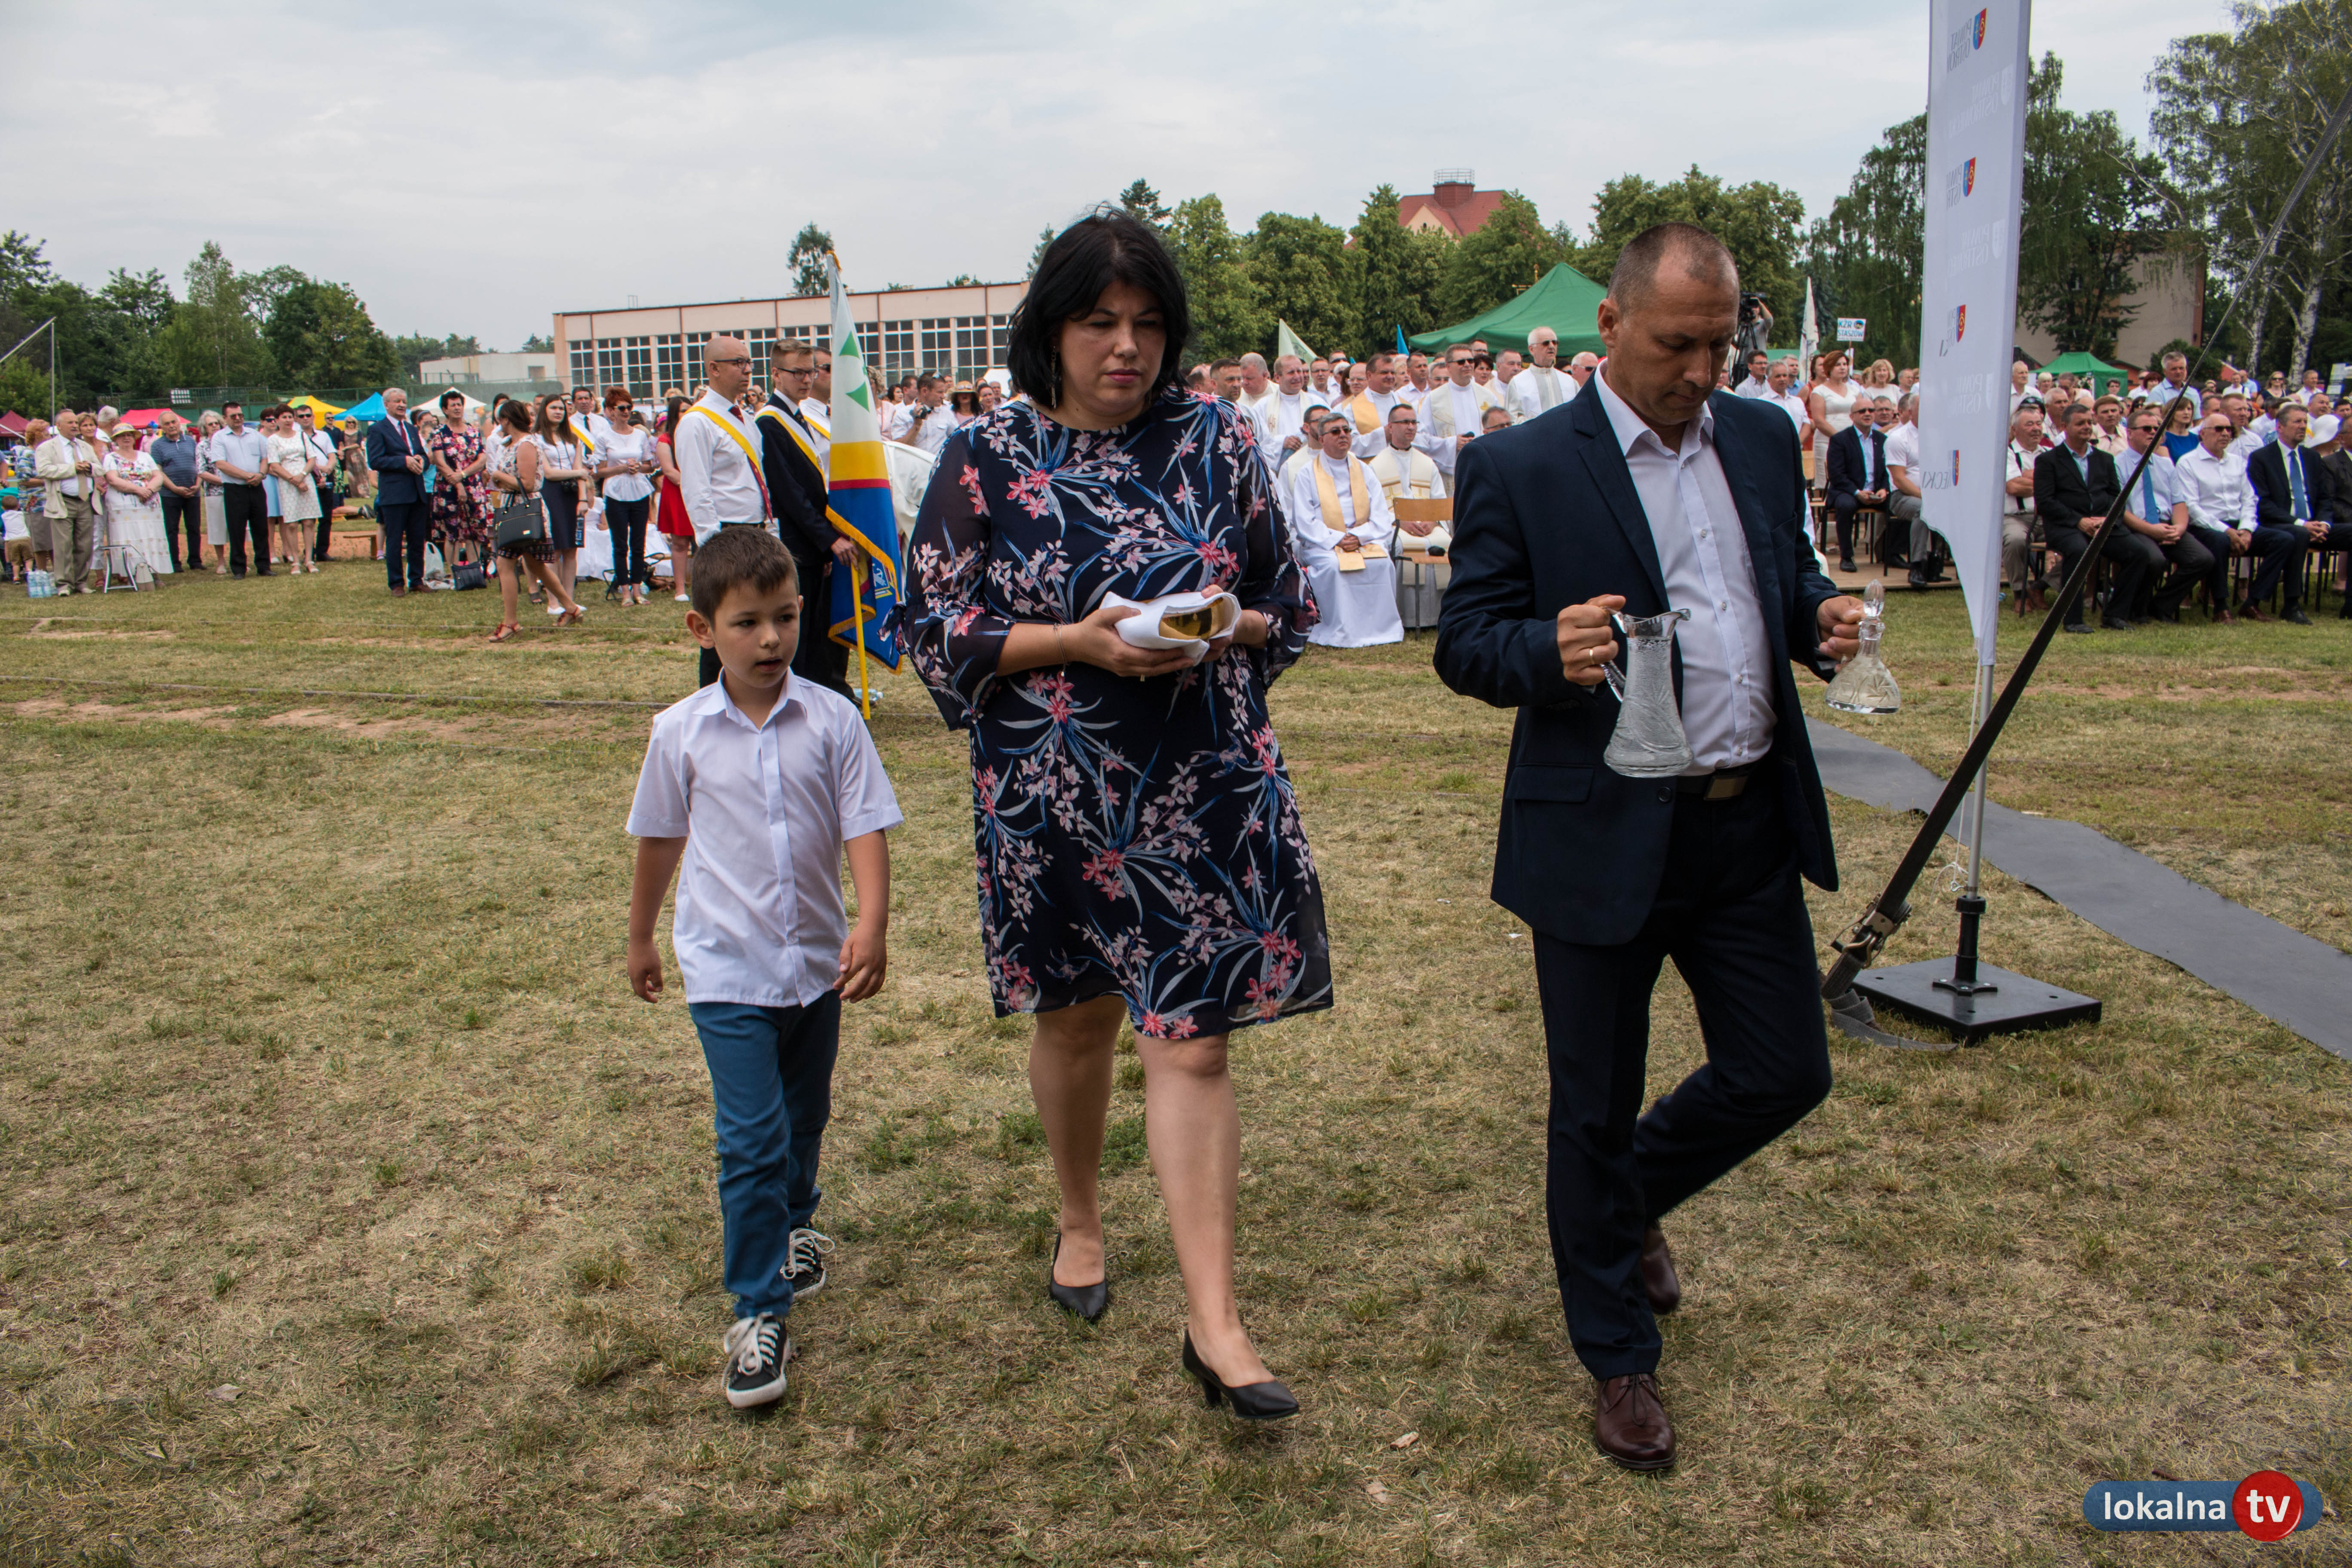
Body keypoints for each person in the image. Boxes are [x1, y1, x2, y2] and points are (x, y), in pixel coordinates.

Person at [1432, 221, 1863, 1474]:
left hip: (1744, 821)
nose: (1702, 370)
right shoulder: (1519, 464)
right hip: (1600, 832)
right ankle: (1617, 1354)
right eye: (1679, 343)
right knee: (1593, 1103)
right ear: (1612, 325)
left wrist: (1819, 617)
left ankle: (1623, 1207)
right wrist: (1544, 650)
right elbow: (1465, 640)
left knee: (1784, 1070)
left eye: (1722, 344)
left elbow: (1776, 578)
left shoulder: (1762, 437)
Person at [904, 207, 1323, 1423]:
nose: (1126, 346)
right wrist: (1074, 643)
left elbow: (1286, 602)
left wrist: (1228, 627)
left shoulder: (1217, 438)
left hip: (1201, 788)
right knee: (1079, 1021)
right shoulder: (983, 454)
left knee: (1193, 1042)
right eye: (1099, 322)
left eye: (1146, 324)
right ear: (1052, 329)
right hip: (1051, 796)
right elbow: (932, 628)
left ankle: (1216, 1325)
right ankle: (1080, 1217)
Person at [625, 524, 901, 1411]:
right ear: (702, 630)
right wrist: (640, 936)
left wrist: (872, 923)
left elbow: (865, 824)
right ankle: (755, 1310)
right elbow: (660, 837)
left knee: (804, 1114)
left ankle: (797, 1220)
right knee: (750, 1138)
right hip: (725, 972)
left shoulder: (834, 719)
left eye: (784, 617)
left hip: (817, 966)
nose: (771, 639)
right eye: (746, 623)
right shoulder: (680, 733)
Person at [757, 340, 852, 697]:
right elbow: (789, 492)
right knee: (800, 631)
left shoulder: (797, 415)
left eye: (811, 372)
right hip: (795, 541)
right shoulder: (770, 422)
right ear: (776, 374)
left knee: (815, 632)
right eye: (797, 373)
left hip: (812, 542)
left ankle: (816, 695)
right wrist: (828, 539)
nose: (807, 380)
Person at [676, 335, 773, 686]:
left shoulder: (745, 417)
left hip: (755, 530)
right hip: (725, 533)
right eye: (738, 363)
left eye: (749, 363)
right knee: (723, 624)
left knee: (753, 620)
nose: (747, 371)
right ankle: (713, 696)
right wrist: (712, 544)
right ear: (714, 368)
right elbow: (697, 489)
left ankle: (749, 691)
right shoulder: (697, 421)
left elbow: (757, 477)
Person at [1286, 410, 1403, 647]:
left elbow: (1381, 514)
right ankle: (1341, 629)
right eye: (1336, 432)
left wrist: (1358, 537)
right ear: (1322, 439)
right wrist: (1338, 539)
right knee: (1333, 566)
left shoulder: (1365, 470)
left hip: (1362, 539)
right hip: (1324, 542)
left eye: (1347, 430)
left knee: (1382, 563)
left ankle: (1380, 629)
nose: (1343, 435)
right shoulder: (1307, 474)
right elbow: (1304, 521)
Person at [2035, 400, 2153, 633]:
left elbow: (2116, 497)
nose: (2087, 427)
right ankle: (2073, 619)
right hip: (2066, 526)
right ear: (2065, 427)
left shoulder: (2104, 459)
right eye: (2080, 424)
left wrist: (2106, 520)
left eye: (2089, 423)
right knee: (2079, 550)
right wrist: (2079, 521)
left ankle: (2115, 615)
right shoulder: (2049, 461)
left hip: (2102, 525)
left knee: (2138, 553)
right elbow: (2046, 501)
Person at [484, 399, 585, 641]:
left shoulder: (527, 445)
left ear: (507, 420)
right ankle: (571, 608)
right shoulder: (510, 444)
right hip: (513, 508)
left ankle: (511, 622)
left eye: (501, 419)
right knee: (536, 564)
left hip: (524, 511)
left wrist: (498, 476)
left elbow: (528, 484)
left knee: (505, 564)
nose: (499, 424)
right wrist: (499, 478)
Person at [2244, 403, 2344, 624]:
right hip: (2279, 523)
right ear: (2280, 427)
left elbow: (2325, 498)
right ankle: (2291, 605)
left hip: (2315, 525)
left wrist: (2324, 524)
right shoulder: (2261, 458)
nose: (2303, 426)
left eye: (2305, 422)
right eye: (2297, 422)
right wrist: (2301, 523)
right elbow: (2262, 503)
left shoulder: (2312, 458)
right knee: (2298, 535)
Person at [2113, 404, 2211, 623]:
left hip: (2167, 525)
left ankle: (2161, 606)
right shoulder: (2117, 464)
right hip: (2136, 527)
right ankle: (2137, 609)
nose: (2153, 433)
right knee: (2154, 559)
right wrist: (2151, 530)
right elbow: (2120, 510)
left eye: (2157, 429)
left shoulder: (2166, 464)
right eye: (2146, 429)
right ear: (2130, 433)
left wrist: (2179, 529)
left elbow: (2179, 502)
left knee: (2202, 559)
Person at [2177, 409, 2254, 624]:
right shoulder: (2188, 462)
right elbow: (2192, 507)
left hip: (2238, 524)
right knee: (2220, 542)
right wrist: (2226, 530)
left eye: (2229, 429)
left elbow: (2250, 499)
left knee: (2283, 540)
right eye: (2219, 429)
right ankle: (2221, 606)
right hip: (2205, 526)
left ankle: (2254, 603)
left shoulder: (2238, 462)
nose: (2226, 434)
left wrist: (2247, 529)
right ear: (2202, 433)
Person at [366, 389, 431, 594]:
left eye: (404, 401)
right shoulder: (377, 430)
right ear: (386, 405)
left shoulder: (411, 429)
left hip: (417, 491)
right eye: (397, 401)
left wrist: (422, 461)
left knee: (417, 539)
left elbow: (422, 454)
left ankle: (416, 580)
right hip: (394, 494)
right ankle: (396, 583)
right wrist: (403, 462)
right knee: (394, 540)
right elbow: (376, 460)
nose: (402, 405)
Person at [597, 390, 657, 607]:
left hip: (639, 491)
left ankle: (637, 590)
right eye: (621, 408)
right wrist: (622, 468)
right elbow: (599, 471)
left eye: (629, 407)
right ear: (611, 411)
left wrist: (638, 467)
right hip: (615, 493)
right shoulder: (604, 437)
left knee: (639, 543)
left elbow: (650, 465)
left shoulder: (640, 435)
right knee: (620, 545)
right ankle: (624, 592)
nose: (626, 412)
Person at [534, 396, 593, 612]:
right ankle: (553, 602)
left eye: (561, 408)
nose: (559, 412)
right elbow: (548, 473)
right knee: (554, 549)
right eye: (554, 408)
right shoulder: (536, 439)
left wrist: (583, 498)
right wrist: (579, 473)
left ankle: (570, 600)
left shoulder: (573, 438)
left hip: (572, 494)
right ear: (544, 410)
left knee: (571, 549)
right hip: (550, 493)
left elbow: (579, 470)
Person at [426, 389, 493, 568]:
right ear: (445, 410)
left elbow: (482, 459)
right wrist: (457, 483)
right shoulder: (439, 433)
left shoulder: (473, 431)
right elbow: (440, 462)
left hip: (473, 486)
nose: (457, 408)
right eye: (453, 405)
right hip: (448, 488)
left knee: (475, 532)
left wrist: (463, 475)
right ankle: (455, 572)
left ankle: (474, 572)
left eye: (459, 405)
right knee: (452, 533)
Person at [36, 412, 101, 592]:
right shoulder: (47, 448)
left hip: (86, 501)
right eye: (70, 422)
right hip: (63, 501)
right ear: (58, 426)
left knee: (85, 545)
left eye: (76, 422)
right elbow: (43, 470)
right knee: (63, 546)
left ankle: (81, 582)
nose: (75, 426)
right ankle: (64, 584)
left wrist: (89, 467)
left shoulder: (84, 446)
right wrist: (72, 469)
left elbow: (99, 468)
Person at [1824, 393, 1890, 573]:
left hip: (1876, 491)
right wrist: (1857, 492)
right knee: (1845, 506)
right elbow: (1836, 475)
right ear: (1852, 416)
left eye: (1871, 410)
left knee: (1898, 504)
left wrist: (1885, 489)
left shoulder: (1882, 440)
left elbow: (1888, 471)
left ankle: (1890, 554)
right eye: (1862, 411)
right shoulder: (1840, 440)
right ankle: (1846, 557)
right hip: (1848, 491)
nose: (1867, 414)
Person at [1882, 393, 1941, 586]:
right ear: (1911, 412)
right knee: (1924, 510)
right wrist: (1926, 496)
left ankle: (1938, 564)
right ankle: (1917, 566)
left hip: (1936, 494)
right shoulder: (1898, 438)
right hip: (1903, 496)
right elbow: (1899, 480)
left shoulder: (1941, 436)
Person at [101, 425, 172, 580]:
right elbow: (112, 479)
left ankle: (153, 572)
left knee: (150, 535)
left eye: (130, 435)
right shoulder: (111, 458)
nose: (126, 438)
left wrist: (149, 490)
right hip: (123, 506)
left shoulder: (145, 456)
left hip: (149, 505)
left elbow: (158, 476)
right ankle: (130, 574)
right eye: (122, 436)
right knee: (129, 536)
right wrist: (138, 490)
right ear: (116, 440)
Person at [1420, 345, 1505, 473]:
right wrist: (1452, 443)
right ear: (1448, 366)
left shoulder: (1488, 396)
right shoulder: (1433, 399)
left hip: (1484, 465)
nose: (1467, 365)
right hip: (1451, 470)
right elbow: (1422, 438)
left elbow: (1500, 432)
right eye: (1461, 362)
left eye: (1470, 361)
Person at [2003, 404, 2047, 614]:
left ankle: (2041, 586)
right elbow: (2013, 487)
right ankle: (2020, 593)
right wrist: (2048, 484)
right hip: (2016, 517)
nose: (2036, 428)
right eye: (2029, 424)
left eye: (2039, 423)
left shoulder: (2049, 453)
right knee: (2015, 541)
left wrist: (2027, 476)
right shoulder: (2006, 453)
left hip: (2047, 517)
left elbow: (2065, 486)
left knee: (2077, 540)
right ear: (2014, 430)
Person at [267, 407, 323, 574]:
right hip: (287, 483)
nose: (288, 420)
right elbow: (274, 464)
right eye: (284, 417)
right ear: (277, 420)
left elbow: (312, 458)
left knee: (309, 522)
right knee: (291, 524)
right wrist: (294, 480)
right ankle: (295, 561)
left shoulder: (302, 436)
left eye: (290, 417)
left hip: (305, 479)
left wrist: (302, 475)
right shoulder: (273, 440)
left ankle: (309, 560)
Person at [147, 412, 203, 575]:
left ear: (179, 424)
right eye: (167, 424)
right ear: (162, 428)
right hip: (170, 494)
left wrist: (198, 485)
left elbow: (199, 465)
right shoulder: (157, 446)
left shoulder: (191, 442)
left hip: (193, 492)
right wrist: (174, 488)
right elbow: (158, 471)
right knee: (172, 529)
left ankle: (195, 561)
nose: (171, 426)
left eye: (174, 422)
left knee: (194, 528)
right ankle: (174, 562)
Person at [655, 394, 696, 603]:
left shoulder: (698, 434)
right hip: (678, 493)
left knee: (703, 542)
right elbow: (669, 471)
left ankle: (703, 586)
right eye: (683, 410)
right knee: (680, 543)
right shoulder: (666, 440)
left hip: (699, 493)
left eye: (690, 409)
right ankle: (680, 589)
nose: (687, 413)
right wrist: (694, 485)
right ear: (674, 413)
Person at [1806, 350, 1859, 495]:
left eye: (1845, 364)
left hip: (1852, 442)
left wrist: (1852, 440)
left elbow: (1861, 413)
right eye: (1838, 365)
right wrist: (1841, 439)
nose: (1842, 368)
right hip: (1827, 441)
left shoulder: (1855, 390)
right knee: (1826, 483)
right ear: (1829, 368)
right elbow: (1819, 421)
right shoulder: (1819, 391)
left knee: (1851, 478)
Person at [1252, 354, 1314, 469]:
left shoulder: (1316, 403)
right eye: (1291, 373)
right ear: (1277, 378)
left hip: (1311, 467)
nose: (1297, 376)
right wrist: (1282, 443)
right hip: (1276, 470)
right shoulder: (1262, 407)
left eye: (1299, 371)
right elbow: (1255, 443)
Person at [1511, 328, 1578, 420]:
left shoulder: (1569, 381)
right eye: (1546, 343)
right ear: (1532, 349)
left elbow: (1578, 411)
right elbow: (1513, 418)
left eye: (1555, 343)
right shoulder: (1518, 382)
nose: (1552, 346)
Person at [903, 374, 954, 456]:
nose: (943, 397)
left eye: (944, 392)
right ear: (925, 391)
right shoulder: (903, 414)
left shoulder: (947, 414)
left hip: (939, 463)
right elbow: (898, 448)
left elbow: (958, 440)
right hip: (914, 463)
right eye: (940, 392)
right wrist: (916, 425)